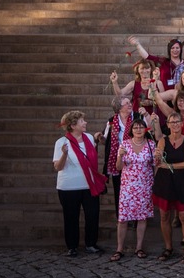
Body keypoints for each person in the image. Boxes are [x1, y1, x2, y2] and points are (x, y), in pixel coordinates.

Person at [54, 110, 105, 258]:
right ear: (73, 125)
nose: (85, 123)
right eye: (82, 121)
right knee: (71, 217)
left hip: (89, 186)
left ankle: (91, 244)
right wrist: (64, 154)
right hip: (68, 187)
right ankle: (72, 246)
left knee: (92, 215)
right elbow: (58, 167)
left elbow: (91, 158)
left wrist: (96, 139)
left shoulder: (88, 137)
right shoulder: (61, 142)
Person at [151, 112, 184, 261]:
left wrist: (169, 165)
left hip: (182, 182)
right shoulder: (163, 140)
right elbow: (158, 159)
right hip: (165, 182)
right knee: (164, 216)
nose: (175, 124)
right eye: (172, 122)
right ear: (168, 125)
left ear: (182, 123)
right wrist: (157, 158)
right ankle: (168, 247)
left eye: (177, 122)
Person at [111, 114, 154, 261]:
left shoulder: (151, 144)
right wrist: (119, 156)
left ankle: (139, 247)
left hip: (144, 186)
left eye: (141, 127)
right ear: (131, 130)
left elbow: (155, 165)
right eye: (135, 127)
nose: (138, 129)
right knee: (123, 219)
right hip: (128, 187)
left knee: (142, 218)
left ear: (145, 129)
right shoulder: (125, 145)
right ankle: (119, 248)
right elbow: (118, 167)